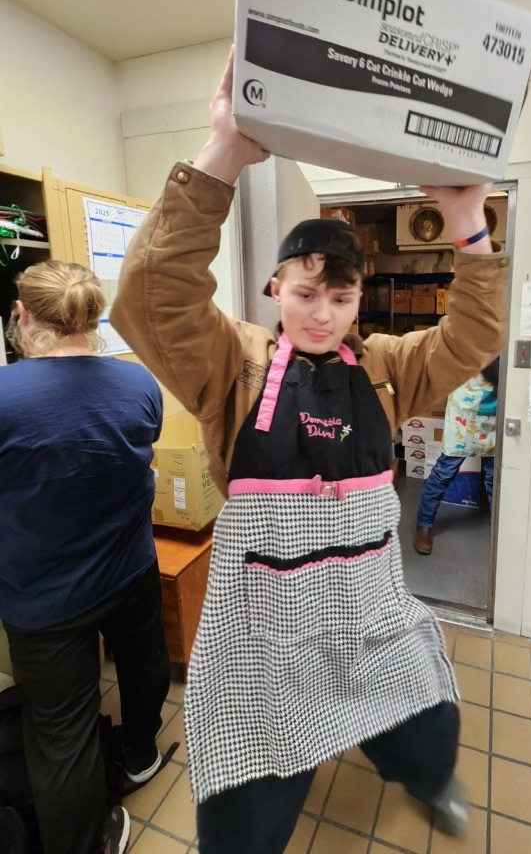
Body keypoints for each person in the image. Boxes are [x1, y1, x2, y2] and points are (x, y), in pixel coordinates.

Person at [110, 47, 510, 854]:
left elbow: (474, 334)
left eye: (340, 295)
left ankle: (429, 783)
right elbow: (152, 298)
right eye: (305, 292)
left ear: (358, 297)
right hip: (263, 627)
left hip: (365, 606)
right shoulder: (233, 363)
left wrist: (470, 228)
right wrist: (222, 153)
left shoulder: (391, 367)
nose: (322, 313)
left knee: (425, 720)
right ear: (274, 290)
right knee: (247, 807)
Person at [0, 260, 171, 854]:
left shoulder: (4, 396)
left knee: (60, 728)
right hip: (129, 567)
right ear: (93, 318)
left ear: (22, 316)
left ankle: (84, 843)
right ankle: (142, 755)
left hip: (43, 596)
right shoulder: (139, 385)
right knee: (143, 663)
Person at [413, 357, 500, 555]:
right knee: (445, 471)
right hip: (466, 406)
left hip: (498, 408)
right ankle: (423, 524)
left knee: (494, 476)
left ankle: (499, 528)